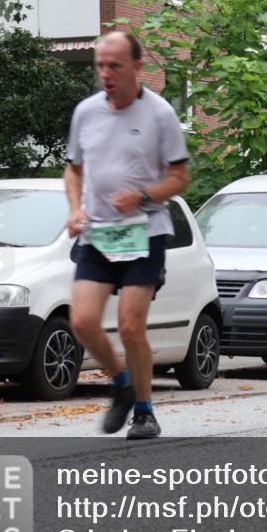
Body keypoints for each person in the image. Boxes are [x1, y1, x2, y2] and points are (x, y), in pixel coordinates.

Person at [64, 31, 191, 439]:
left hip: (145, 230)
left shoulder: (160, 114)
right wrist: (75, 208)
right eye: (100, 65)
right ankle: (121, 385)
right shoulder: (86, 112)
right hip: (98, 233)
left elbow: (179, 177)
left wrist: (141, 195)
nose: (105, 73)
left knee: (132, 327)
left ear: (137, 67)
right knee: (82, 321)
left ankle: (144, 410)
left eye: (114, 65)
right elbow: (74, 168)